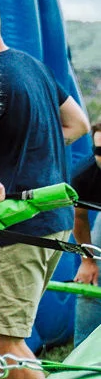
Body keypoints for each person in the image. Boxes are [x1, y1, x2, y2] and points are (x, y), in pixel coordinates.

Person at [0, 0, 91, 379]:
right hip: (55, 219)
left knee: (2, 335)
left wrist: (12, 164)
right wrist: (36, 152)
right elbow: (79, 123)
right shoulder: (34, 67)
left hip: (22, 228)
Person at [71, 120, 101, 351]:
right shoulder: (84, 175)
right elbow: (78, 218)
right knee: (90, 284)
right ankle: (83, 357)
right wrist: (87, 260)